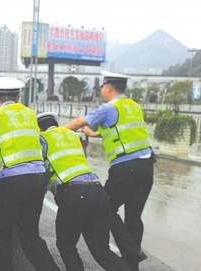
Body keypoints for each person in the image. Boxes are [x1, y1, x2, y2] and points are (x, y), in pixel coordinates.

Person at [66, 71, 155, 271]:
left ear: (108, 88)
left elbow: (80, 122)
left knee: (104, 206)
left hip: (127, 166)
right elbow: (120, 131)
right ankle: (133, 263)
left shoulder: (109, 107)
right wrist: (94, 134)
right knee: (133, 214)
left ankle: (131, 251)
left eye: (102, 89)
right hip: (147, 164)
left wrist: (59, 132)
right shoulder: (132, 106)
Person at [0, 77, 60, 271]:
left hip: (12, 180)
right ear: (19, 97)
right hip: (38, 179)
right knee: (29, 235)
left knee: (1, 232)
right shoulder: (30, 115)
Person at [37, 112, 131, 271]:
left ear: (39, 127)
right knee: (102, 251)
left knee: (66, 245)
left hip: (74, 194)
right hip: (98, 192)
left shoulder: (42, 139)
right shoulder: (73, 136)